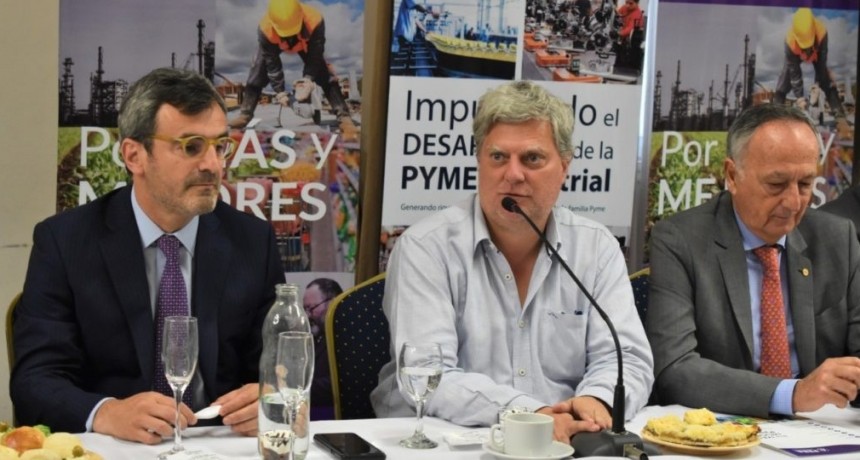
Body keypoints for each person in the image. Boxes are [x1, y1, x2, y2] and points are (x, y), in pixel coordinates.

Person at [11, 67, 286, 443]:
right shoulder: (65, 241)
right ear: (134, 155)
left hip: (219, 444)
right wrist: (105, 412)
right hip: (115, 446)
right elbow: (35, 380)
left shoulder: (253, 241)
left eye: (220, 146)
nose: (213, 165)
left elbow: (280, 364)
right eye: (191, 146)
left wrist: (270, 396)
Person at [370, 81, 654, 441]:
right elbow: (429, 375)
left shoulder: (596, 248)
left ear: (565, 167)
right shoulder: (426, 247)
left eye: (532, 159)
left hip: (567, 440)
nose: (513, 174)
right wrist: (532, 415)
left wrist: (596, 401)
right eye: (498, 157)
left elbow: (626, 357)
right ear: (479, 161)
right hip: (445, 443)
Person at [647, 103, 860, 418]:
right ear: (732, 176)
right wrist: (792, 394)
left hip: (821, 427)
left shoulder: (838, 238)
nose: (793, 202)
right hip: (723, 425)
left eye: (805, 184)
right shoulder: (681, 241)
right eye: (776, 184)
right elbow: (675, 369)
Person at [229, 0, 358, 141]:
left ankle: (344, 117)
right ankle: (245, 114)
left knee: (325, 73)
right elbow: (272, 63)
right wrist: (279, 92)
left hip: (304, 43)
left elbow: (315, 55)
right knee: (257, 72)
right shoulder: (265, 29)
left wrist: (308, 79)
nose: (289, 36)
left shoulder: (314, 20)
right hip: (275, 43)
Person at [773, 8, 844, 118]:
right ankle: (775, 111)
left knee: (825, 76)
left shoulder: (821, 32)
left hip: (816, 52)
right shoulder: (789, 42)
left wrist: (817, 85)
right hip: (795, 54)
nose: (806, 50)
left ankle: (837, 109)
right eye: (804, 47)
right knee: (785, 79)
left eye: (808, 46)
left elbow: (821, 64)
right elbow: (794, 73)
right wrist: (800, 97)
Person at [302, 277, 343, 419]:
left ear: (333, 302)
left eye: (311, 308)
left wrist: (296, 387)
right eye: (305, 309)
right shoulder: (317, 335)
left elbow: (337, 383)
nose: (308, 315)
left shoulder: (347, 335)